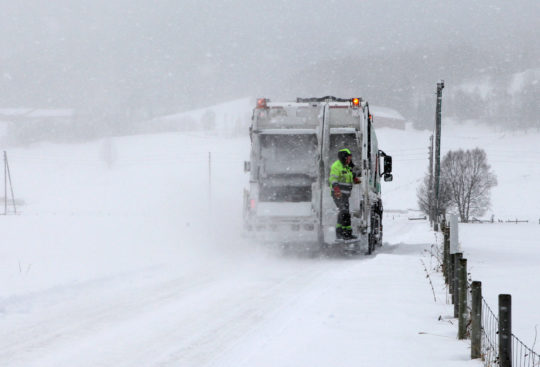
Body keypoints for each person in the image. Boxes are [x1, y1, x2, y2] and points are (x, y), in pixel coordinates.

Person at [329, 148, 361, 240]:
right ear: (343, 157)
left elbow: (350, 175)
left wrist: (354, 179)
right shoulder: (336, 166)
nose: (350, 159)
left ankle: (339, 233)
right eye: (348, 158)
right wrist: (336, 189)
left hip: (345, 195)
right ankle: (346, 234)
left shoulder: (347, 166)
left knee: (342, 212)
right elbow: (333, 179)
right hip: (338, 194)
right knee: (345, 213)